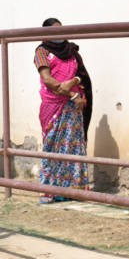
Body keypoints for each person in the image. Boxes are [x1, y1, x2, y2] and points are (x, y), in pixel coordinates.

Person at [34, 18, 92, 204]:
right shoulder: (41, 52)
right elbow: (47, 79)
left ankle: (72, 191)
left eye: (61, 29)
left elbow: (81, 76)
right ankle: (49, 190)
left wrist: (73, 82)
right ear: (45, 33)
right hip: (54, 106)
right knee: (53, 146)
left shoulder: (73, 52)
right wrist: (72, 95)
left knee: (73, 147)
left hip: (74, 109)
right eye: (54, 30)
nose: (59, 34)